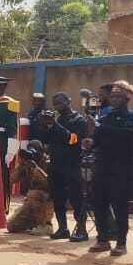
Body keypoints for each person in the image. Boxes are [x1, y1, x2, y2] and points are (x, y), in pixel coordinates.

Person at [83, 80, 133, 256]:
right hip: (102, 166)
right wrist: (90, 142)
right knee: (99, 203)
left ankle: (121, 243)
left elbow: (126, 134)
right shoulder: (105, 117)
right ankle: (103, 240)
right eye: (112, 96)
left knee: (120, 206)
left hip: (121, 169)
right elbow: (97, 141)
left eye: (118, 97)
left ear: (127, 98)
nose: (114, 99)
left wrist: (100, 126)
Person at [40, 92, 89, 242]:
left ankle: (81, 230)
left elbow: (72, 139)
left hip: (71, 164)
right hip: (56, 164)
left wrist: (55, 124)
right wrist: (43, 125)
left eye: (60, 103)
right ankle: (63, 228)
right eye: (55, 104)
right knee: (58, 198)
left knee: (76, 198)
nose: (57, 107)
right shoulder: (58, 119)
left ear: (68, 102)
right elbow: (46, 140)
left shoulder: (79, 120)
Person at [7, 141, 53, 234]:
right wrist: (21, 165)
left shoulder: (48, 162)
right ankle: (35, 223)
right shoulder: (27, 164)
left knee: (33, 194)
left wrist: (36, 169)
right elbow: (12, 179)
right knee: (12, 226)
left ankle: (46, 225)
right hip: (31, 202)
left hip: (47, 201)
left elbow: (50, 184)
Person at [0, 76, 19, 211]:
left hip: (2, 140)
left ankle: (2, 204)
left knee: (1, 173)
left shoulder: (10, 103)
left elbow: (13, 128)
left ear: (4, 87)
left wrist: (10, 151)